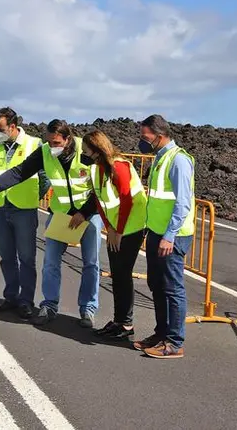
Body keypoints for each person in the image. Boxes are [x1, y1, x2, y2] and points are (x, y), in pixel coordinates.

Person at [0, 119, 103, 328]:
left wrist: (85, 211)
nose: (52, 147)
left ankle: (88, 309)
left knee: (91, 263)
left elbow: (101, 185)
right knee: (51, 262)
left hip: (88, 215)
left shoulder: (86, 150)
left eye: (56, 143)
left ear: (68, 139)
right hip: (61, 214)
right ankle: (49, 306)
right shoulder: (45, 152)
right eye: (49, 142)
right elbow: (20, 171)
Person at [132, 114, 195, 359]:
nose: (142, 141)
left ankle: (174, 342)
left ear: (159, 135)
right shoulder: (160, 157)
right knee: (156, 285)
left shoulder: (178, 160)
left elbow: (182, 203)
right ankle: (161, 334)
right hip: (158, 232)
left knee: (172, 289)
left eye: (145, 137)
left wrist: (169, 235)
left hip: (173, 236)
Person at [81, 130, 148, 340]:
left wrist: (118, 230)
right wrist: (109, 228)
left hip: (132, 227)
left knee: (122, 274)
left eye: (86, 151)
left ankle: (126, 324)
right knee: (117, 275)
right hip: (115, 228)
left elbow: (127, 200)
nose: (84, 155)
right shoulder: (97, 169)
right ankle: (119, 321)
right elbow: (100, 201)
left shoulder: (120, 166)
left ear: (97, 149)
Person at [0, 107, 50, 319]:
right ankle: (10, 296)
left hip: (24, 209)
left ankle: (26, 300)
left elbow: (44, 178)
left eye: (1, 128)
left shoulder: (33, 144)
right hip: (1, 207)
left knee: (26, 258)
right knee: (6, 256)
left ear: (12, 127)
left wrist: (33, 197)